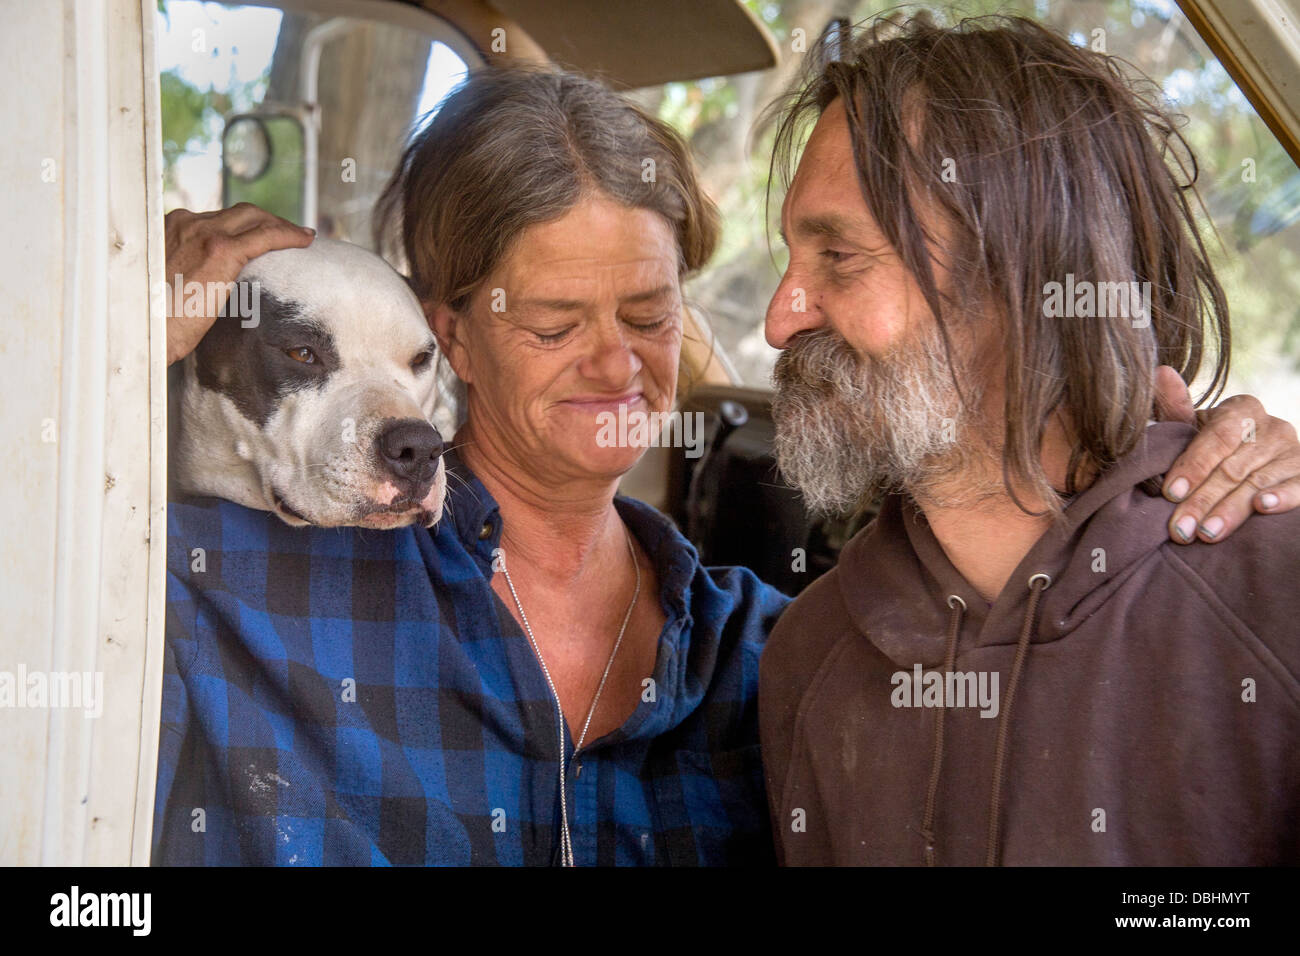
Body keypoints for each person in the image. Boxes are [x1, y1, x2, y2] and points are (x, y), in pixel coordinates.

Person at [156, 63, 1298, 867]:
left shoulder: (771, 655)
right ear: (446, 333)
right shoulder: (248, 580)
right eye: (555, 323)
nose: (616, 367)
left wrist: (1194, 472)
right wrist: (121, 329)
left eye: (649, 314)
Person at [758, 13, 1300, 866]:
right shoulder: (807, 657)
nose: (778, 321)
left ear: (1026, 268)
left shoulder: (1279, 600)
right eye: (792, 259)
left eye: (840, 256)